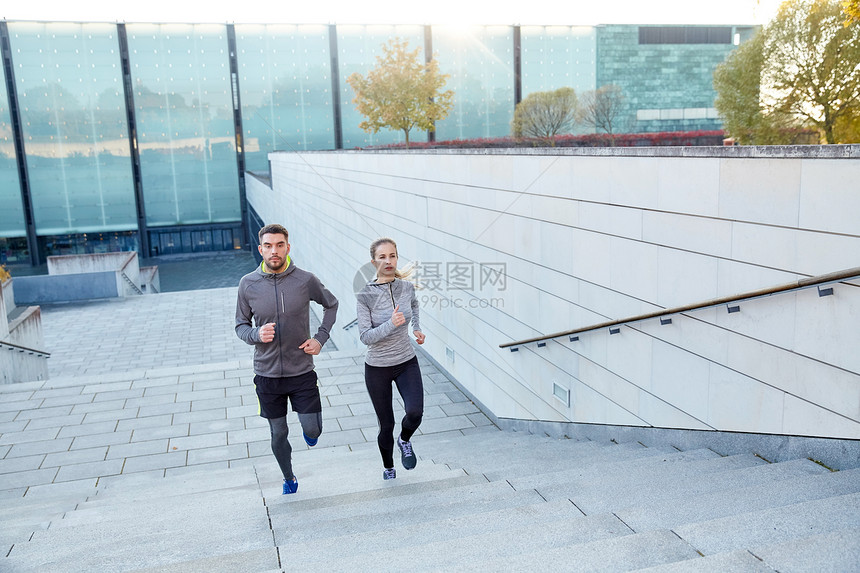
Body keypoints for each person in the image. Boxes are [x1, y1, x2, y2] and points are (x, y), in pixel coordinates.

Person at [235, 224, 338, 494]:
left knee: (313, 430)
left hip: (301, 370)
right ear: (260, 250)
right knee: (278, 432)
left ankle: (310, 431)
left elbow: (331, 304)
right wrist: (257, 333)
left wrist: (320, 338)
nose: (274, 251)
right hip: (267, 374)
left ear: (288, 247)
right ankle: (289, 477)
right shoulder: (248, 284)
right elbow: (240, 326)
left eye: (279, 245)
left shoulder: (305, 280)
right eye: (268, 246)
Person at [356, 237, 425, 480]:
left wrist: (416, 327)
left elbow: (414, 305)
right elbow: (365, 337)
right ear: (373, 261)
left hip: (406, 361)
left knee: (415, 412)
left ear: (397, 257)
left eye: (392, 255)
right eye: (382, 257)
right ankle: (388, 467)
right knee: (386, 425)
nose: (388, 260)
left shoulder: (406, 287)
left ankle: (404, 440)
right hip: (377, 368)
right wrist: (390, 324)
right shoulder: (365, 295)